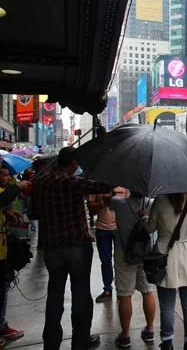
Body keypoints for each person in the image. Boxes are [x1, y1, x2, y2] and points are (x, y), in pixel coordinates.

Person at [29, 147, 115, 350]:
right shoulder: (71, 182)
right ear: (74, 163)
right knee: (81, 294)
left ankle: (51, 343)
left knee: (55, 295)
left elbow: (33, 213)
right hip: (77, 245)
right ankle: (80, 340)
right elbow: (104, 185)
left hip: (52, 248)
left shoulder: (41, 182)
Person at [142, 193, 187, 350]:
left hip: (165, 254)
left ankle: (167, 342)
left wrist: (144, 218)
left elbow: (150, 227)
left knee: (167, 305)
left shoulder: (160, 200)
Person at [109, 190, 156, 348]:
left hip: (125, 254)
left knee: (125, 294)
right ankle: (150, 330)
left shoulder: (119, 203)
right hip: (145, 253)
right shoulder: (151, 203)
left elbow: (107, 199)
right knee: (147, 291)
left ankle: (126, 335)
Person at [0, 168, 31, 348]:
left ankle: (2, 325)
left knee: (3, 288)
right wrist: (17, 186)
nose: (8, 177)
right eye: (4, 174)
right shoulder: (5, 193)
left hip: (3, 250)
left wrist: (7, 214)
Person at [88, 192, 117, 303]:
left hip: (119, 227)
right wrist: (103, 204)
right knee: (105, 261)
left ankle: (121, 289)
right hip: (102, 229)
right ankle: (108, 289)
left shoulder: (123, 184)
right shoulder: (97, 185)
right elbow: (90, 205)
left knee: (120, 260)